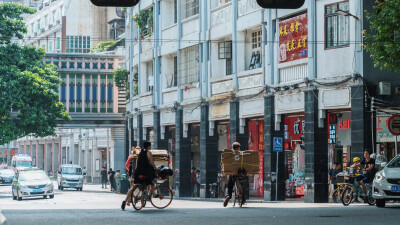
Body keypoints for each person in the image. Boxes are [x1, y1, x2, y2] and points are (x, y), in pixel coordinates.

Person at [223, 142, 246, 207]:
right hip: (240, 173)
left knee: (230, 185)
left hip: (232, 173)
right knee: (243, 184)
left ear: (233, 148)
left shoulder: (230, 154)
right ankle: (243, 199)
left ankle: (228, 196)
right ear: (238, 148)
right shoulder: (242, 154)